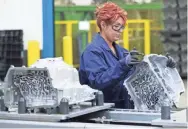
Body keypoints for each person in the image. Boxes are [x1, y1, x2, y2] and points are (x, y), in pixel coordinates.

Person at [78, 2, 176, 109]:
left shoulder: (122, 52)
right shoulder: (91, 52)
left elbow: (136, 79)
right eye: (116, 26)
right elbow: (98, 83)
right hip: (104, 111)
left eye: (122, 27)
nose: (120, 31)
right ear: (103, 25)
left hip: (125, 108)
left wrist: (162, 67)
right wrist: (123, 65)